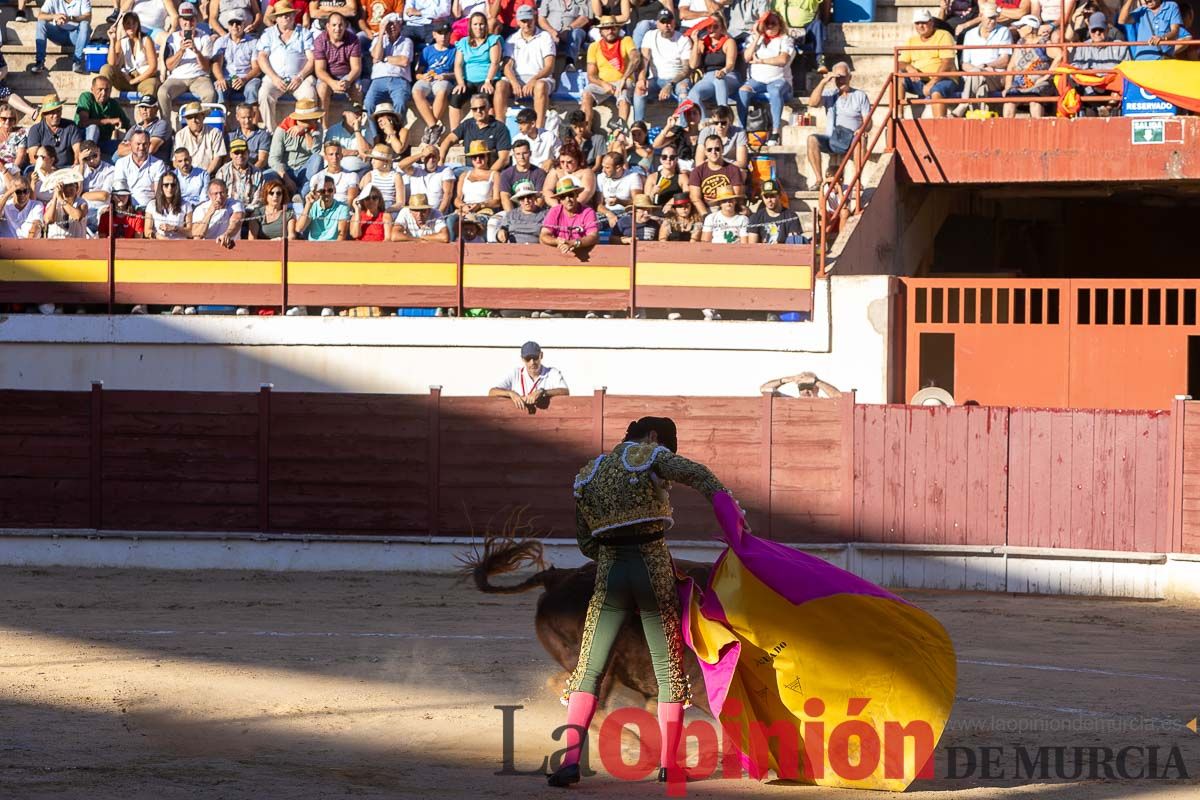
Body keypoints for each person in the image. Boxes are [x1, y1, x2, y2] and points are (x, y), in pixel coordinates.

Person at [546, 415, 727, 787]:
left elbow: (586, 543)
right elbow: (700, 475)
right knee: (668, 669)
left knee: (589, 670)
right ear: (654, 436)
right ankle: (669, 766)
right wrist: (730, 514)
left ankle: (570, 762)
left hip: (610, 572)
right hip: (651, 566)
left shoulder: (588, 474)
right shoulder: (649, 455)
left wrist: (616, 555)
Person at [805, 61, 871, 190]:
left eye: (843, 77)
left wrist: (862, 129)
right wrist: (824, 82)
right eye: (838, 77)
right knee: (811, 139)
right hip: (832, 139)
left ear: (850, 77)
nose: (841, 81)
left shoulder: (859, 95)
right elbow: (812, 103)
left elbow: (868, 120)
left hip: (852, 138)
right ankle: (819, 180)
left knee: (861, 139)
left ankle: (857, 180)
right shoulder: (830, 94)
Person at [736, 10, 795, 146]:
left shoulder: (785, 39)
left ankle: (775, 131)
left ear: (779, 24)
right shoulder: (754, 39)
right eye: (766, 23)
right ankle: (742, 129)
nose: (769, 26)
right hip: (757, 80)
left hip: (779, 79)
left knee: (775, 91)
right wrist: (757, 36)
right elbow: (746, 57)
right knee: (743, 91)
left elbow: (783, 59)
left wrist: (761, 61)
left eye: (773, 23)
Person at [257, 0, 318, 130]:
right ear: (276, 19)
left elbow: (311, 59)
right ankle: (271, 133)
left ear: (294, 16)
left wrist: (300, 76)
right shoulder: (268, 34)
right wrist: (274, 77)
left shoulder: (304, 33)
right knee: (264, 94)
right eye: (281, 15)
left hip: (300, 78)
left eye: (289, 14)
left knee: (310, 95)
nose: (285, 17)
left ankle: (306, 131)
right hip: (274, 78)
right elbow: (261, 57)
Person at [158, 3, 219, 126]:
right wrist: (181, 51)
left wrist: (196, 51)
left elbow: (206, 68)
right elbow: (169, 66)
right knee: (162, 92)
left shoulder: (204, 37)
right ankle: (165, 128)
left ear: (196, 20)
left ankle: (204, 127)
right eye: (185, 19)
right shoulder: (172, 38)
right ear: (180, 21)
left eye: (191, 19)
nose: (188, 23)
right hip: (177, 77)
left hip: (199, 76)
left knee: (210, 93)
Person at [496, 6, 557, 127]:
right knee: (500, 85)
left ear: (534, 19)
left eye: (529, 20)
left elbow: (549, 66)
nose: (526, 24)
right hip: (518, 78)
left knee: (540, 86)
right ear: (518, 22)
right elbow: (507, 66)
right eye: (523, 21)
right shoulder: (512, 39)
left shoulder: (545, 37)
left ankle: (539, 128)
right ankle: (500, 127)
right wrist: (514, 82)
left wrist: (533, 80)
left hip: (540, 77)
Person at [953, 4, 1013, 117]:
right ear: (981, 16)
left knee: (976, 75)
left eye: (995, 18)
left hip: (995, 75)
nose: (992, 21)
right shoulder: (969, 34)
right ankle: (981, 115)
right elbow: (964, 63)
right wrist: (979, 70)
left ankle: (964, 104)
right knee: (981, 86)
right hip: (977, 76)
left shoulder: (1004, 31)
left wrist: (985, 66)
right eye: (990, 18)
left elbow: (1004, 60)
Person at [898, 9, 960, 118]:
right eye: (917, 23)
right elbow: (901, 62)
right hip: (920, 80)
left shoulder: (943, 35)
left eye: (924, 22)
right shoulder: (911, 40)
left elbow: (947, 62)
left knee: (936, 91)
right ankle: (898, 116)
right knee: (899, 78)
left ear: (931, 22)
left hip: (944, 79)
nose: (920, 26)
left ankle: (939, 125)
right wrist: (909, 67)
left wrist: (932, 82)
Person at [634, 11, 691, 122]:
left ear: (674, 23)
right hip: (656, 80)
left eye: (669, 22)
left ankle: (684, 127)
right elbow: (644, 61)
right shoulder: (650, 35)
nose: (666, 25)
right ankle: (638, 126)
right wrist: (641, 79)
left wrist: (670, 84)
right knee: (639, 88)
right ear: (657, 24)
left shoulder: (683, 39)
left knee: (683, 91)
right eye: (663, 22)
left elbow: (685, 70)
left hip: (677, 79)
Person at [450, 12, 504, 128]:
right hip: (468, 80)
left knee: (485, 97)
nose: (478, 27)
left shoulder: (493, 40)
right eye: (475, 24)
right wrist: (460, 82)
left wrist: (488, 80)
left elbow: (495, 62)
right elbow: (458, 64)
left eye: (481, 24)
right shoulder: (463, 42)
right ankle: (455, 133)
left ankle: (487, 131)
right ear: (470, 26)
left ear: (486, 25)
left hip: (487, 79)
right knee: (456, 97)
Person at [583, 16, 639, 127]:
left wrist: (624, 78)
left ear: (618, 29)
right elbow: (591, 76)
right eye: (606, 28)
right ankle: (586, 128)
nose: (610, 31)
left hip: (623, 80)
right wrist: (604, 84)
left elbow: (635, 58)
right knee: (586, 93)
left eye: (613, 28)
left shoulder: (626, 40)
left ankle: (622, 130)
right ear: (600, 31)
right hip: (603, 83)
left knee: (624, 93)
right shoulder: (594, 47)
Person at [440, 86, 513, 170]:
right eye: (475, 109)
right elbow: (448, 140)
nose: (478, 111)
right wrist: (441, 160)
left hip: (491, 170)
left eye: (482, 108)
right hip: (469, 169)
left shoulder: (500, 128)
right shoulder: (467, 124)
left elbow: (504, 159)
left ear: (488, 108)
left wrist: (488, 174)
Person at [1069, 11, 1130, 112]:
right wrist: (1090, 75)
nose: (1097, 33)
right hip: (1090, 88)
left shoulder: (1119, 46)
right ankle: (1102, 109)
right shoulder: (1082, 47)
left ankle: (1107, 108)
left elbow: (1127, 69)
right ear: (1089, 30)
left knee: (1121, 84)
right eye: (1094, 30)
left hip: (1112, 88)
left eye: (1100, 29)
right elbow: (1075, 68)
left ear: (1107, 29)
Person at [1002, 14, 1058, 117]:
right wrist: (1008, 86)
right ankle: (1007, 130)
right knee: (1009, 101)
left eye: (1020, 27)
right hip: (1020, 83)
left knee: (1035, 100)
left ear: (1029, 28)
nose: (1018, 30)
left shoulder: (1044, 43)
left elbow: (1060, 55)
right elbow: (1011, 67)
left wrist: (1047, 76)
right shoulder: (1020, 43)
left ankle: (1037, 130)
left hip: (1039, 83)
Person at [489, 340, 569, 410]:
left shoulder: (552, 372)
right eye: (528, 358)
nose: (532, 362)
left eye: (535, 357)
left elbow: (565, 391)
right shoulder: (515, 373)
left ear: (541, 355)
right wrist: (511, 393)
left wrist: (543, 392)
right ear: (522, 359)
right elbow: (492, 392)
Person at [268, 98, 324, 194]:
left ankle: (302, 194)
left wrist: (306, 131)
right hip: (286, 171)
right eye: (313, 119)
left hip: (305, 172)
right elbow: (273, 159)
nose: (316, 120)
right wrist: (286, 178)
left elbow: (315, 151)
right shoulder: (282, 130)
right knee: (267, 176)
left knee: (318, 158)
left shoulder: (317, 128)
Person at [687, 14, 739, 115]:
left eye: (715, 26)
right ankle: (704, 122)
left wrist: (723, 71)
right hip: (708, 77)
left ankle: (723, 114)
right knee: (693, 94)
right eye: (709, 26)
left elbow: (730, 64)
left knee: (719, 79)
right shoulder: (703, 43)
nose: (712, 30)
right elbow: (693, 65)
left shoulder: (728, 42)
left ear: (722, 28)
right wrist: (696, 42)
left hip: (728, 75)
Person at [100, 12, 161, 97]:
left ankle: (146, 108)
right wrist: (112, 41)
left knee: (152, 85)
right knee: (105, 68)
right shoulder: (121, 42)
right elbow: (112, 63)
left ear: (138, 24)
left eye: (133, 23)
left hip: (144, 78)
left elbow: (153, 67)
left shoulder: (146, 40)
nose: (131, 26)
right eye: (128, 23)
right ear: (124, 26)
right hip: (127, 78)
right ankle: (103, 99)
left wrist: (135, 80)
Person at [366, 13, 414, 113]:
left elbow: (404, 61)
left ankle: (397, 128)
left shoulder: (407, 41)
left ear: (400, 25)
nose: (391, 27)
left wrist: (384, 58)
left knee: (400, 103)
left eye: (394, 24)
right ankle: (374, 129)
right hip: (378, 79)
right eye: (388, 24)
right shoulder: (377, 40)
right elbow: (376, 56)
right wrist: (381, 33)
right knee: (368, 104)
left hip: (399, 79)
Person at [213, 16, 265, 110]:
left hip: (248, 77)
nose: (235, 26)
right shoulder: (221, 41)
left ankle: (253, 122)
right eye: (231, 23)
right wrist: (220, 78)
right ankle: (223, 122)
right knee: (220, 87)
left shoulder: (253, 42)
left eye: (238, 23)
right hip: (227, 78)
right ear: (228, 26)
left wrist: (244, 79)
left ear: (243, 24)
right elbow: (216, 63)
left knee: (252, 89)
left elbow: (257, 68)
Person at [412, 20, 457, 130]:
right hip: (428, 78)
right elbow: (417, 73)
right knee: (416, 91)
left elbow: (459, 73)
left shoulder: (455, 50)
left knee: (442, 91)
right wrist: (423, 76)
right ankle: (433, 126)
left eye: (446, 33)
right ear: (434, 34)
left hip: (444, 79)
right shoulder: (427, 50)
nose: (443, 36)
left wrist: (446, 76)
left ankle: (431, 129)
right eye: (440, 33)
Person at [29, 0, 93, 75]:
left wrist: (70, 18)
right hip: (58, 34)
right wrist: (54, 16)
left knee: (85, 24)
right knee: (41, 23)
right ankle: (39, 62)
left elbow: (88, 17)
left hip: (76, 36)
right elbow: (40, 16)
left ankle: (77, 62)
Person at [74, 76, 130, 161]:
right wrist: (109, 121)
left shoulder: (113, 104)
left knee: (126, 146)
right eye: (100, 89)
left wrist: (129, 141)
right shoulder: (86, 97)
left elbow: (128, 126)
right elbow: (83, 122)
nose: (103, 93)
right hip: (83, 141)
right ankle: (88, 159)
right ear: (92, 89)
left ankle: (112, 165)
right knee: (93, 128)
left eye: (107, 90)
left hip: (102, 143)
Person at [540, 177, 599, 255]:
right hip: (558, 253)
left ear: (576, 195)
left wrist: (575, 243)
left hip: (584, 252)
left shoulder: (588, 212)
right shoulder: (554, 211)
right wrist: (557, 241)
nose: (568, 199)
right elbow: (544, 235)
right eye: (563, 197)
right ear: (560, 200)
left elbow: (593, 236)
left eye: (570, 195)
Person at [688, 133, 744, 214]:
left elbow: (736, 196)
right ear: (705, 152)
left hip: (728, 208)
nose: (713, 152)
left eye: (717, 149)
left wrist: (724, 214)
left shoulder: (733, 169)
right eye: (709, 149)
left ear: (722, 149)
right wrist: (705, 216)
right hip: (706, 209)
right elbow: (695, 198)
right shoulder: (697, 172)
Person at [114, 130, 168, 208]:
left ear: (149, 145)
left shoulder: (158, 164)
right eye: (138, 144)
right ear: (130, 144)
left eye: (145, 144)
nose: (141, 148)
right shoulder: (121, 163)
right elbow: (120, 191)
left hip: (150, 209)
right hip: (127, 208)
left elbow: (158, 193)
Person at [399, 143, 455, 216]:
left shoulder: (445, 171)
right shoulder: (416, 169)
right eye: (428, 156)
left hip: (435, 213)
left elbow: (447, 195)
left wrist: (438, 215)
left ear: (438, 158)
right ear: (423, 158)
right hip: (415, 212)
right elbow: (401, 165)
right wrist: (422, 154)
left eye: (434, 156)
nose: (431, 159)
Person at [27, 97, 83, 169]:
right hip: (44, 168)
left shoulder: (70, 126)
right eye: (52, 113)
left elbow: (77, 149)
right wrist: (48, 167)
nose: (56, 115)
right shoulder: (36, 130)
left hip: (67, 167)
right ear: (44, 114)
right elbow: (33, 157)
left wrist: (76, 162)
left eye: (58, 111)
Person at [775, 0, 830, 73]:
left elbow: (826, 3)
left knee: (818, 24)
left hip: (807, 29)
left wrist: (826, 19)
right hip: (786, 31)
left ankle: (820, 61)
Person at [175, 102, 229, 176]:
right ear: (186, 120)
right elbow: (176, 160)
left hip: (210, 175)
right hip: (186, 176)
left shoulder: (215, 133)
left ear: (203, 116)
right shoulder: (180, 135)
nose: (193, 120)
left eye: (196, 116)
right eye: (190, 117)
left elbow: (218, 158)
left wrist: (205, 175)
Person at [747, 179, 805, 243]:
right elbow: (752, 246)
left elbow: (793, 242)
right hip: (763, 252)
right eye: (766, 197)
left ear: (779, 196)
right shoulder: (756, 217)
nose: (769, 200)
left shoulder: (791, 216)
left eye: (772, 196)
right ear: (762, 197)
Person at [596, 150, 641, 231]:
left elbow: (637, 202)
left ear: (618, 168)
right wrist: (609, 214)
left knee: (623, 223)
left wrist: (620, 201)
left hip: (625, 212)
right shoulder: (601, 177)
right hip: (606, 213)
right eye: (603, 166)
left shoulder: (633, 177)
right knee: (592, 223)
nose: (603, 170)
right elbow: (598, 204)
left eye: (607, 168)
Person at [295, 174, 352, 239]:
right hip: (314, 246)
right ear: (316, 192)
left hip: (333, 246)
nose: (326, 193)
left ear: (335, 190)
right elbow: (299, 229)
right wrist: (308, 204)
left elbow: (342, 235)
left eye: (330, 190)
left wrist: (335, 249)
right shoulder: (312, 206)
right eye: (322, 191)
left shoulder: (342, 208)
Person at [541, 141, 596, 206]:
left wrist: (572, 206)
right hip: (559, 207)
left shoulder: (586, 172)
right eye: (562, 162)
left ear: (578, 159)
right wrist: (557, 206)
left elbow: (587, 191)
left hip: (581, 208)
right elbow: (547, 190)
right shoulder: (555, 171)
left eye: (569, 162)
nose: (565, 165)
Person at [191, 178, 245, 245]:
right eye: (215, 193)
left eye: (222, 193)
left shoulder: (235, 204)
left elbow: (236, 222)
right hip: (208, 248)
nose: (219, 196)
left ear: (227, 192)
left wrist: (227, 235)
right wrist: (210, 212)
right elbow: (197, 236)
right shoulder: (200, 209)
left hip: (229, 245)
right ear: (209, 195)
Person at [499, 137, 548, 210]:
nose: (521, 157)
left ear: (530, 153)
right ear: (514, 155)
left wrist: (529, 214)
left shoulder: (539, 173)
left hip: (536, 211)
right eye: (518, 154)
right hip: (514, 212)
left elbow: (540, 197)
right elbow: (505, 198)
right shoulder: (506, 174)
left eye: (525, 153)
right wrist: (512, 216)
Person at [118, 96, 172, 162]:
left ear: (156, 109)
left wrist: (133, 146)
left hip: (155, 165)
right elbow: (120, 151)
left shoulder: (161, 124)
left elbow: (151, 149)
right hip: (136, 165)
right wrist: (143, 149)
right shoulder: (134, 128)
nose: (144, 110)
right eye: (142, 107)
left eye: (148, 107)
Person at [217, 138, 265, 210]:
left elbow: (259, 199)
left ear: (248, 153)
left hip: (250, 212)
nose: (240, 155)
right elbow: (219, 196)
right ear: (230, 154)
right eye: (236, 153)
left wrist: (245, 211)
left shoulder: (257, 173)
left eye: (243, 152)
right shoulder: (222, 172)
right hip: (228, 211)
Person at [539, 0, 591, 68]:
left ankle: (570, 63)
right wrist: (552, 32)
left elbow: (584, 18)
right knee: (546, 37)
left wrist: (569, 28)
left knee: (576, 33)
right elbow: (541, 19)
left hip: (573, 31)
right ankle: (546, 68)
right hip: (552, 33)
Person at [696, 105, 749, 171]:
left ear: (729, 120)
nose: (720, 126)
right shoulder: (706, 132)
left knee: (742, 172)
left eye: (723, 123)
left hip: (731, 170)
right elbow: (699, 163)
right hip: (711, 169)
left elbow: (742, 163)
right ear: (712, 120)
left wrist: (719, 162)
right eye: (716, 123)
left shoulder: (739, 133)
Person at [455, 140, 501, 215]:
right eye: (474, 157)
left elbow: (497, 201)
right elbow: (457, 198)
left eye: (481, 156)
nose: (478, 159)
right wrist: (463, 206)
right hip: (465, 210)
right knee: (450, 221)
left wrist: (480, 205)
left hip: (484, 210)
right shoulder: (463, 175)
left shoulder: (495, 175)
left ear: (487, 157)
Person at [144, 171, 193, 239]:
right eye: (166, 185)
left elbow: (191, 232)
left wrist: (174, 228)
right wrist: (158, 236)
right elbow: (147, 231)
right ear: (161, 187)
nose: (169, 188)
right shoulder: (152, 205)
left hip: (179, 243)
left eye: (173, 185)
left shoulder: (186, 205)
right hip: (159, 243)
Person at [511, 108, 558, 174]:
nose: (520, 128)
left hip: (546, 174)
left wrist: (552, 161)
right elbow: (515, 164)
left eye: (523, 124)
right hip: (526, 174)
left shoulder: (549, 136)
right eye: (519, 124)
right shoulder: (516, 139)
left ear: (533, 123)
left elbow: (561, 155)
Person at [360, 144, 405, 212]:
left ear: (385, 161)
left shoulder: (396, 176)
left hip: (390, 208)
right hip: (372, 206)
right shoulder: (369, 175)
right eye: (372, 159)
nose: (372, 162)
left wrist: (389, 209)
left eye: (376, 159)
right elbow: (365, 196)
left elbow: (400, 202)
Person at [42, 173, 89, 239]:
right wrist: (55, 197)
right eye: (65, 186)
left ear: (77, 188)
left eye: (71, 185)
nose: (68, 188)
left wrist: (61, 199)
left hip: (77, 244)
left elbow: (77, 216)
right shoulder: (52, 203)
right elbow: (48, 220)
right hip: (56, 243)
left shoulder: (82, 203)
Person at [643, 144, 689, 208]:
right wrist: (652, 192)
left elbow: (687, 194)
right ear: (660, 159)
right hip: (656, 211)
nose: (668, 159)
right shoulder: (652, 177)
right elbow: (646, 202)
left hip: (675, 212)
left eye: (672, 157)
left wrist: (673, 201)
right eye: (664, 157)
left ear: (676, 159)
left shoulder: (682, 177)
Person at [229, 103, 271, 170]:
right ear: (237, 117)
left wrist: (250, 172)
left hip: (258, 170)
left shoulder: (263, 135)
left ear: (254, 115)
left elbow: (262, 160)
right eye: (243, 118)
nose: (247, 121)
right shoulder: (231, 136)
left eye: (249, 117)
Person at [759, 370, 842, 397]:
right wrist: (787, 379)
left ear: (817, 388)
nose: (805, 391)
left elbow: (839, 396)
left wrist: (817, 381)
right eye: (801, 388)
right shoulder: (790, 401)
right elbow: (764, 389)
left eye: (809, 387)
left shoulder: (826, 403)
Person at [0, 107, 27, 175]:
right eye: (4, 118)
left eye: (11, 119)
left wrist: (10, 173)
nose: (7, 121)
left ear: (15, 120)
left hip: (12, 170)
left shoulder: (20, 134)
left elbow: (21, 156)